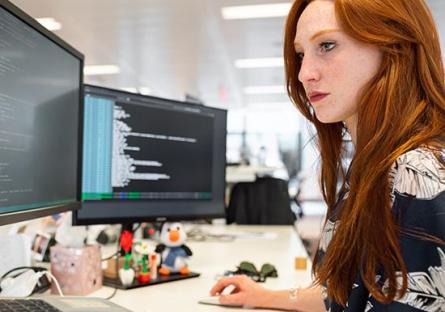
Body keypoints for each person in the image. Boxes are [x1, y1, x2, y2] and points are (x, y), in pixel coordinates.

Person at [210, 0, 445, 311]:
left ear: (394, 46)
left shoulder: (416, 173)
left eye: (328, 45)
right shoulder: (376, 165)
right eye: (300, 54)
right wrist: (262, 297)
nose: (304, 73)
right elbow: (352, 295)